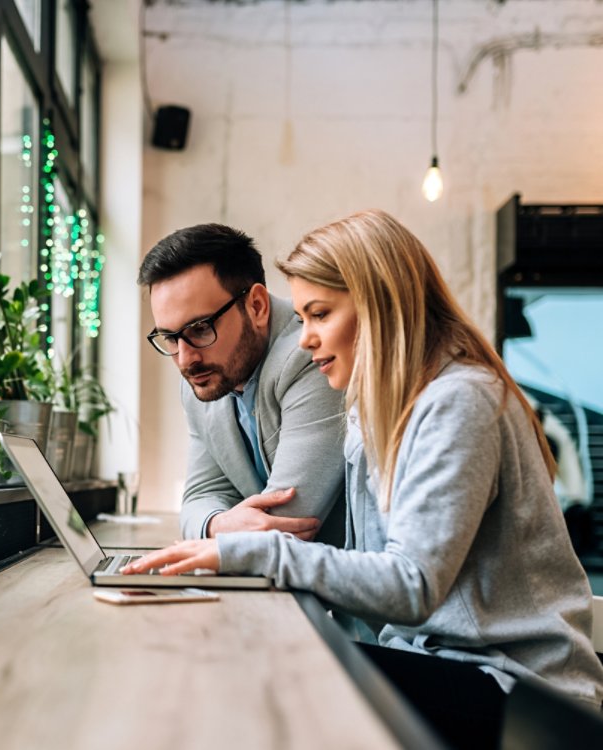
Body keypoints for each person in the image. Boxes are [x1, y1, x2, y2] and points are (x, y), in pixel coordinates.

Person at [126, 210, 603, 748]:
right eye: (303, 317)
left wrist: (244, 550)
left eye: (320, 314)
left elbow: (412, 585)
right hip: (442, 662)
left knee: (261, 678)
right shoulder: (377, 410)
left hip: (520, 690)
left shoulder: (460, 400)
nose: (304, 339)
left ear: (381, 306)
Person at [137, 223, 346, 544]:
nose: (185, 359)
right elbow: (199, 498)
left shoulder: (314, 354)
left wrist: (216, 530)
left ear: (257, 306)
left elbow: (288, 522)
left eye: (200, 328)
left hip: (337, 584)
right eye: (170, 338)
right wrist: (216, 525)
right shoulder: (206, 376)